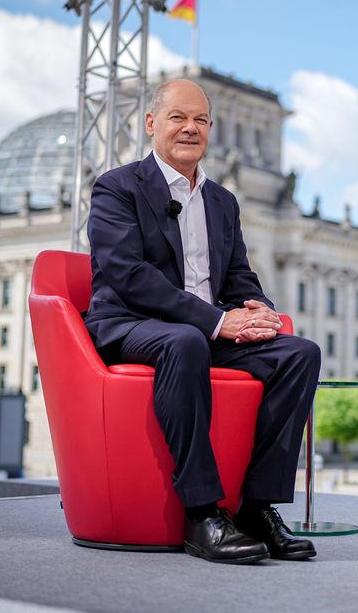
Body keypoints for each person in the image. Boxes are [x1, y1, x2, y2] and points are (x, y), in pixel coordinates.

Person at [85, 78, 321, 565]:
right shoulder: (117, 187)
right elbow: (130, 278)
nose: (189, 128)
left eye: (200, 120)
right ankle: (201, 513)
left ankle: (258, 507)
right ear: (152, 124)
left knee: (299, 354)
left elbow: (237, 274)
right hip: (133, 325)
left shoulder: (223, 201)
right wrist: (216, 321)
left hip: (203, 328)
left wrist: (257, 310)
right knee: (186, 342)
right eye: (178, 118)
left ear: (210, 129)